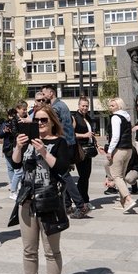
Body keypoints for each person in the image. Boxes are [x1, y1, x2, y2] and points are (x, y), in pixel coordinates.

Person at [12, 105, 70, 274]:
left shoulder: (60, 142)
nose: (40, 124)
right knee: (29, 250)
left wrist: (44, 152)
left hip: (50, 201)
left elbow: (62, 168)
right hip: (27, 200)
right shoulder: (28, 140)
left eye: (44, 120)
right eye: (36, 120)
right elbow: (16, 164)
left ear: (53, 121)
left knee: (51, 251)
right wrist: (18, 147)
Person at [42, 86, 87, 218]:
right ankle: (67, 205)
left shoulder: (55, 108)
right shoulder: (62, 105)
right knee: (62, 175)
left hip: (63, 144)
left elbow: (53, 125)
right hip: (69, 143)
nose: (43, 97)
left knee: (64, 174)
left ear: (51, 93)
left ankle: (80, 205)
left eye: (44, 94)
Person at [101, 98, 136, 211]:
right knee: (121, 176)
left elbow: (115, 136)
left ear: (119, 106)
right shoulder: (126, 116)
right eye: (110, 105)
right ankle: (123, 202)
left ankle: (128, 199)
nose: (110, 107)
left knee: (116, 176)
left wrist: (110, 151)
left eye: (113, 105)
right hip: (128, 149)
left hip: (119, 149)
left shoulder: (115, 117)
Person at [72, 97, 97, 210]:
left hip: (88, 150)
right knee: (83, 176)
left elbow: (91, 134)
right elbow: (71, 134)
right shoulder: (74, 117)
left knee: (86, 176)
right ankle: (82, 200)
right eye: (83, 105)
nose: (85, 108)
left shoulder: (88, 118)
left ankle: (82, 200)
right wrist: (84, 135)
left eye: (87, 106)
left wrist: (96, 144)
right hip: (80, 150)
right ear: (78, 105)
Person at [0, 101, 29, 200]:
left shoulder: (25, 118)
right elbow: (14, 132)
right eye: (23, 109)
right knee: (18, 170)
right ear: (18, 109)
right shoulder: (14, 120)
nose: (25, 111)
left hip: (23, 146)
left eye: (26, 109)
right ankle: (13, 191)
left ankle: (18, 188)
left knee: (21, 170)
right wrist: (21, 134)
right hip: (16, 147)